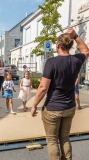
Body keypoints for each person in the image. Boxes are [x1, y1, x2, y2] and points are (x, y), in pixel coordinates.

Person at [31, 28, 89, 160]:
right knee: (64, 138)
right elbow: (86, 51)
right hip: (69, 107)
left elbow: (43, 87)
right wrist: (76, 36)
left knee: (52, 140)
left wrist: (34, 104)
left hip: (53, 107)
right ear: (70, 45)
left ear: (58, 45)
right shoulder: (76, 60)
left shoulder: (51, 62)